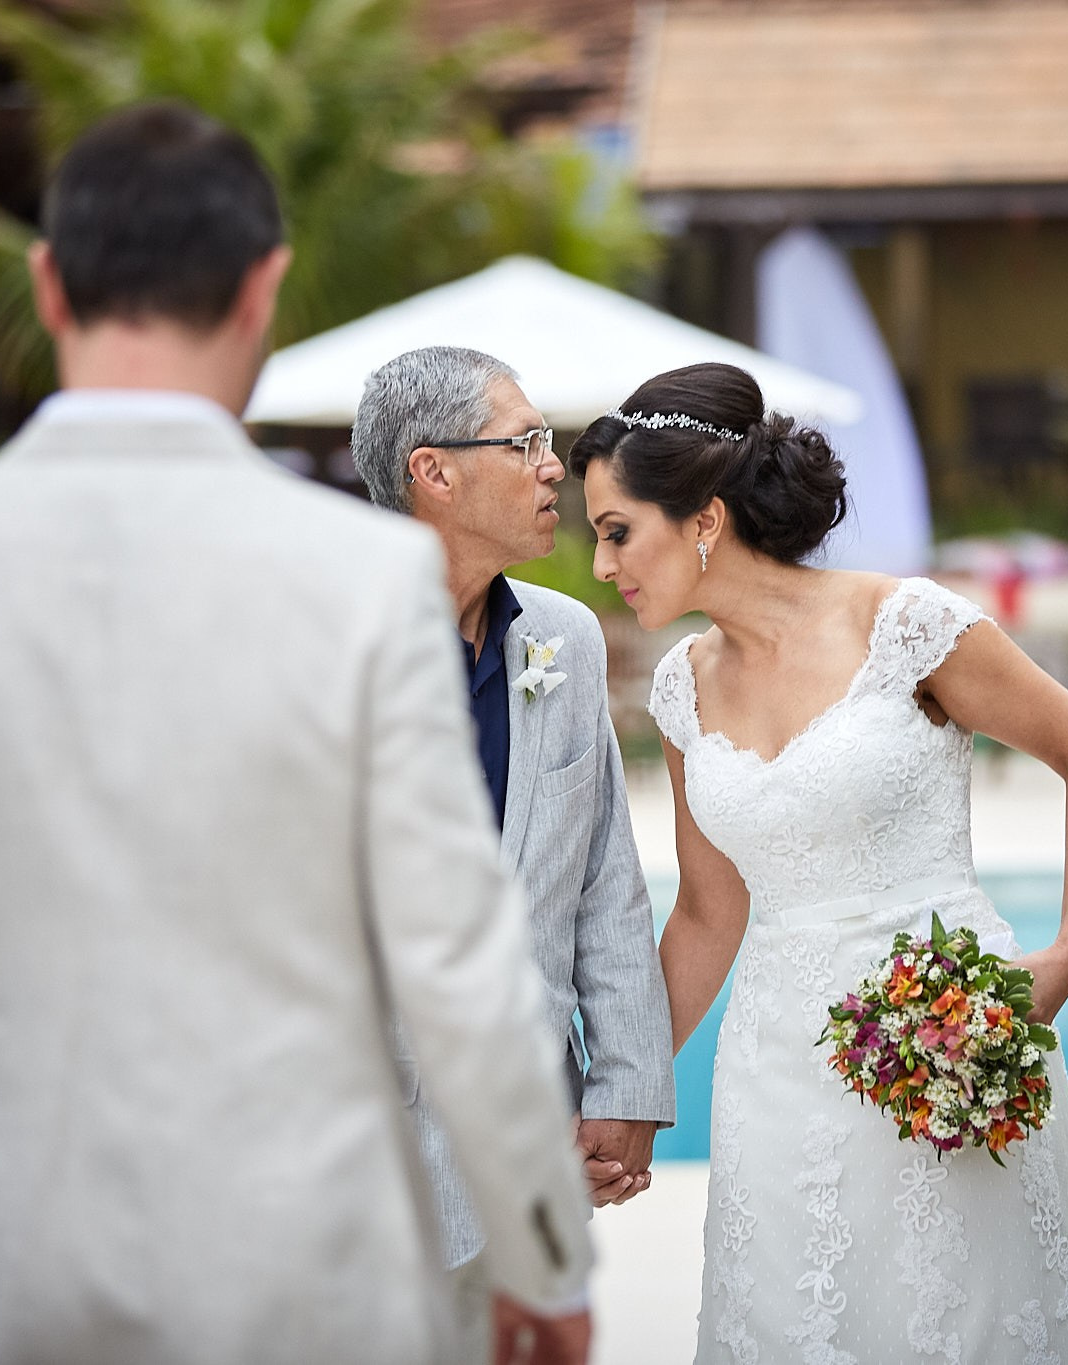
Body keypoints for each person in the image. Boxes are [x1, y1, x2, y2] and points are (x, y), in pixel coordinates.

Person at [0, 102, 592, 1365]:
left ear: (49, 287)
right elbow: (457, 960)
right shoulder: (363, 579)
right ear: (262, 291)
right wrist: (543, 1258)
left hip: (18, 1282)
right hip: (311, 1279)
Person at [569, 362, 1068, 1363]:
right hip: (773, 1076)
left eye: (615, 531)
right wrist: (626, 1088)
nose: (602, 566)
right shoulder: (680, 690)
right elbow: (707, 917)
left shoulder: (903, 626)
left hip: (945, 1045)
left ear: (703, 518)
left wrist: (1067, 953)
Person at [351, 347, 675, 1358]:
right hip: (360, 1152)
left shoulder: (567, 639)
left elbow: (605, 884)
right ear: (432, 472)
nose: (554, 468)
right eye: (525, 442)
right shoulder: (328, 643)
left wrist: (625, 1088)